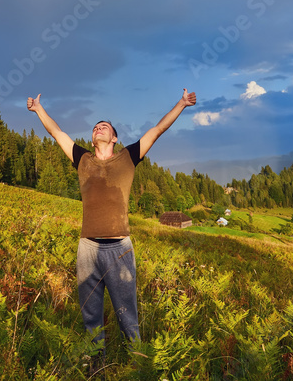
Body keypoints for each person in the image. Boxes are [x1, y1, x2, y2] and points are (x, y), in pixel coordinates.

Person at [26, 89, 196, 342]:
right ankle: (96, 367)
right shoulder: (82, 158)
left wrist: (181, 104)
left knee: (128, 316)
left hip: (120, 249)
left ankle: (138, 366)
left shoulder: (128, 157)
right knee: (91, 318)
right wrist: (39, 109)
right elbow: (56, 132)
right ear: (92, 138)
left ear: (114, 137)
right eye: (95, 127)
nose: (98, 128)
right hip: (88, 249)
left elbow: (158, 130)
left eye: (104, 126)